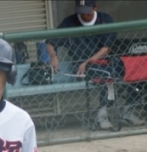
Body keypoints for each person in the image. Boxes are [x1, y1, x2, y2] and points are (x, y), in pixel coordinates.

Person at [44, 0, 139, 129]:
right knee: (109, 76)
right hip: (82, 66)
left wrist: (87, 61)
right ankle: (102, 115)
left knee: (135, 69)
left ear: (95, 7)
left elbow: (106, 48)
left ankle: (127, 110)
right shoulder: (70, 22)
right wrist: (53, 56)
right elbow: (50, 42)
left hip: (105, 61)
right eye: (81, 12)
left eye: (87, 12)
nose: (84, 15)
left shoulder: (104, 19)